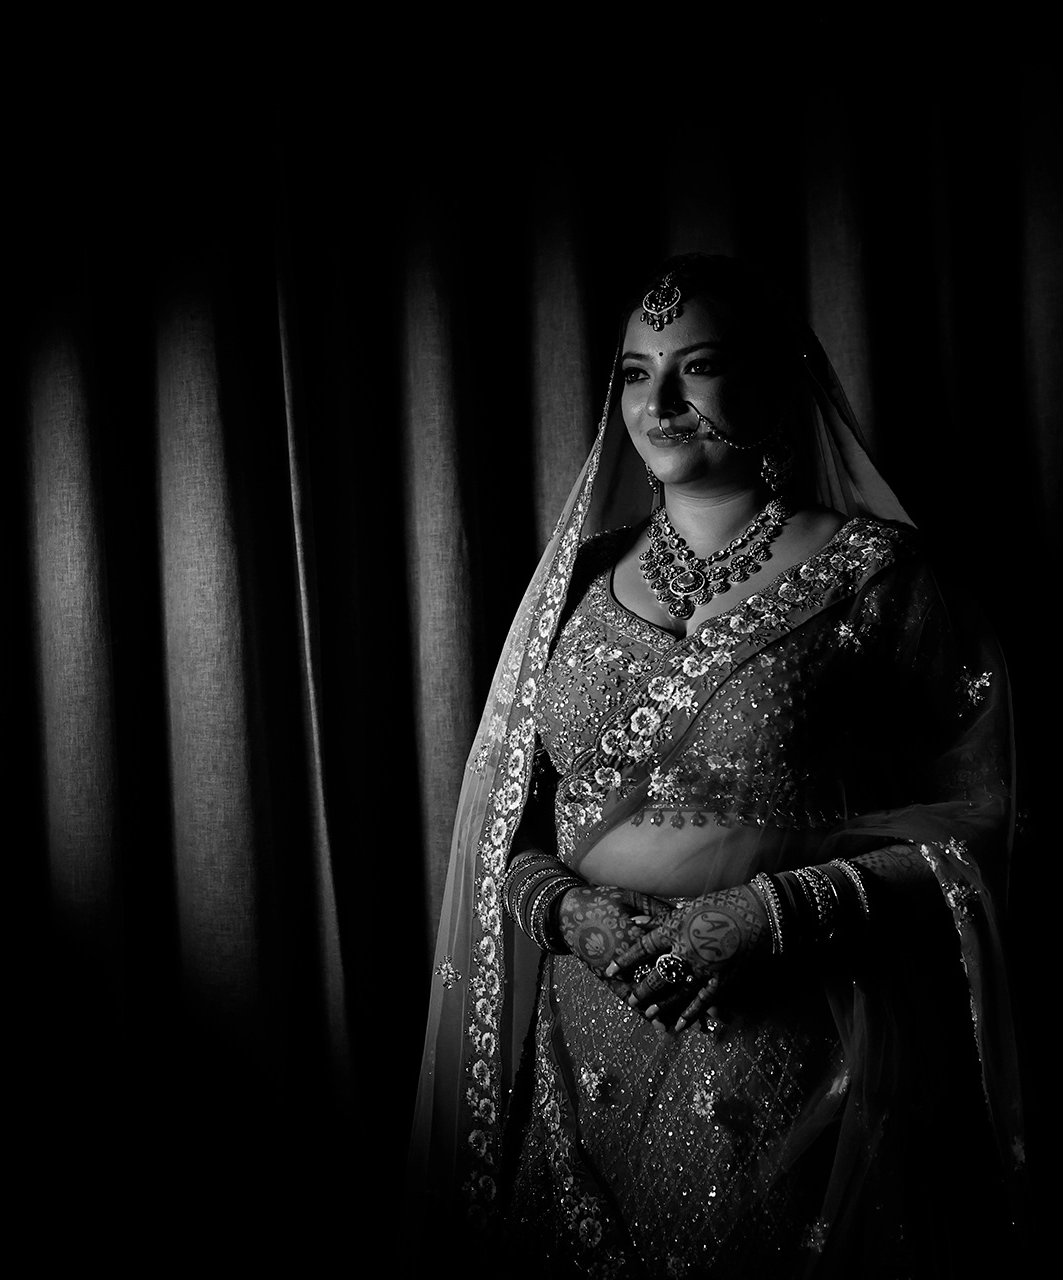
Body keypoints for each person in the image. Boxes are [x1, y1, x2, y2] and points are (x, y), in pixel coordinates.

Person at [406, 255, 1022, 1277]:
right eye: (635, 373)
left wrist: (778, 913)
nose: (660, 403)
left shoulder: (876, 573)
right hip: (586, 1038)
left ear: (776, 381)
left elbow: (987, 818)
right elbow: (511, 825)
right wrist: (567, 910)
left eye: (698, 367)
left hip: (792, 1041)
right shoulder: (575, 584)